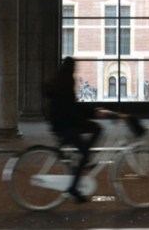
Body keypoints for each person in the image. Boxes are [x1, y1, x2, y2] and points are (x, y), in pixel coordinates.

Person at [44, 57, 118, 203]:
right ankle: (74, 188)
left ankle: (85, 160)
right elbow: (73, 107)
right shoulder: (67, 82)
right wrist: (94, 113)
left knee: (89, 137)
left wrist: (92, 113)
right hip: (66, 125)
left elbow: (70, 106)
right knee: (95, 130)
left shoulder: (57, 81)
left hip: (60, 124)